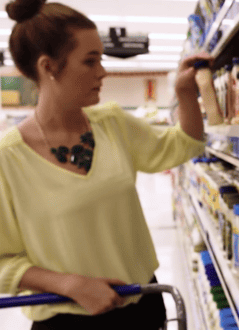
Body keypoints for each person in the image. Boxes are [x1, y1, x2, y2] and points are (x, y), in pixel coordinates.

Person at [0, 0, 222, 329]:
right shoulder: (8, 159)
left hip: (142, 305)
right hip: (65, 317)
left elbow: (182, 145)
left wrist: (185, 93)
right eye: (90, 61)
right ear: (48, 67)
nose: (102, 71)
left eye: (100, 59)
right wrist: (69, 285)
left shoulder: (112, 123)